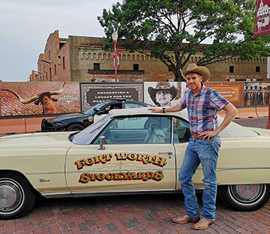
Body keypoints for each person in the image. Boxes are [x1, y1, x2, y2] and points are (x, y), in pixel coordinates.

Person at [149, 63, 237, 230]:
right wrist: (161, 110)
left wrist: (216, 131)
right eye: (188, 78)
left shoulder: (210, 94)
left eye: (193, 78)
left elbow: (232, 111)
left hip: (208, 143)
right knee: (184, 177)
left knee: (209, 181)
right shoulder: (188, 93)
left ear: (201, 78)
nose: (190, 81)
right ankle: (192, 214)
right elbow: (178, 106)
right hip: (194, 141)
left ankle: (208, 217)